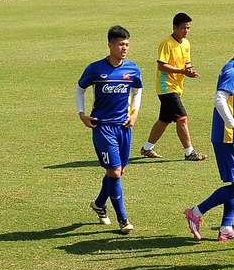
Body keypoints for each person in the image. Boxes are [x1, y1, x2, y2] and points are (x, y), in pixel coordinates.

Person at [184, 31, 234, 241]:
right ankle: (196, 212)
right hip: (227, 136)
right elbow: (219, 100)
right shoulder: (232, 71)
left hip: (233, 134)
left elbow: (233, 105)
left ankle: (226, 228)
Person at [76, 26, 143, 234]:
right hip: (103, 127)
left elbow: (137, 89)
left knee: (118, 172)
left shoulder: (132, 69)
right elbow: (80, 89)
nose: (125, 48)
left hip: (123, 127)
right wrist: (82, 114)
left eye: (127, 44)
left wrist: (134, 113)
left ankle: (98, 204)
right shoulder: (95, 69)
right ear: (110, 45)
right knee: (114, 172)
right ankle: (123, 219)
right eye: (121, 44)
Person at [141, 13, 205, 161]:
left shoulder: (186, 43)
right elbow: (162, 66)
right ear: (174, 27)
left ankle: (147, 148)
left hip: (177, 87)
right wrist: (182, 71)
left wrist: (188, 71)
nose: (186, 31)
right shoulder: (167, 43)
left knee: (164, 120)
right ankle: (190, 152)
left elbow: (186, 63)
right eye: (183, 28)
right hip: (166, 87)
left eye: (188, 28)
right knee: (182, 118)